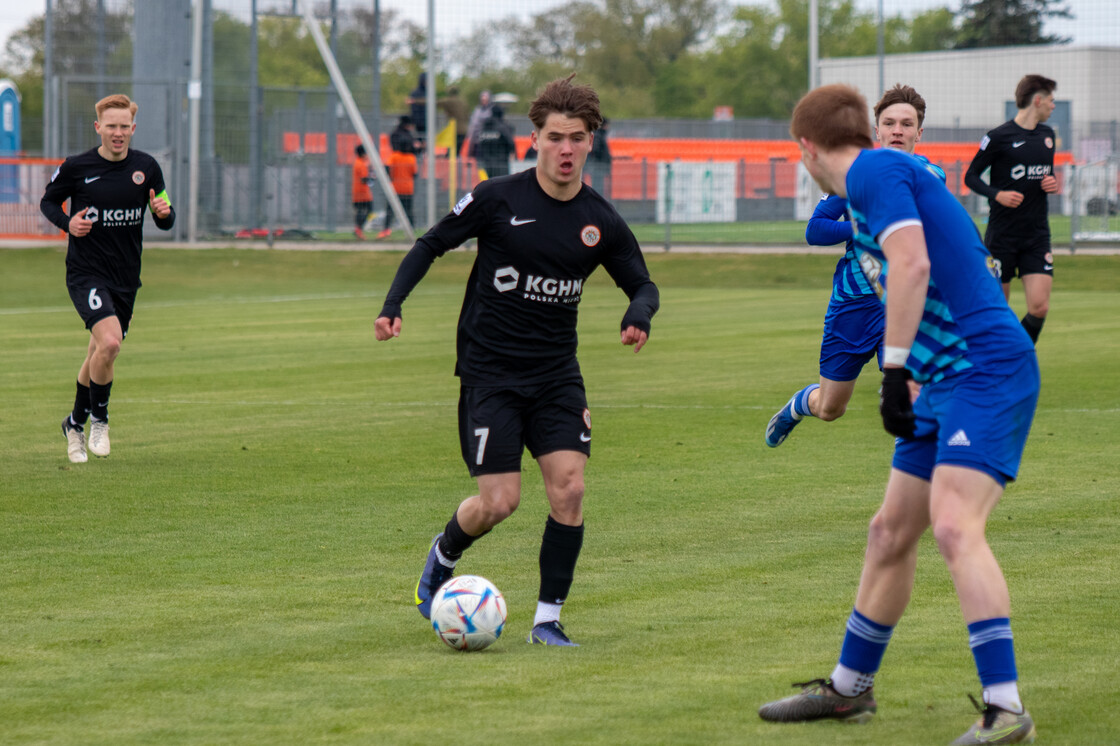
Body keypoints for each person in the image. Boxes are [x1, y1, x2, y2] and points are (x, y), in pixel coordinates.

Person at [758, 84, 1040, 746]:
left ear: (804, 148)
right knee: (889, 532)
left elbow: (911, 266)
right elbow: (931, 267)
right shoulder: (872, 186)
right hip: (942, 378)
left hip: (986, 367)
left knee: (952, 525)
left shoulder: (877, 169)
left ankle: (1006, 710)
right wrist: (912, 375)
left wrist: (890, 369)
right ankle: (849, 690)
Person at [375, 75, 659, 647]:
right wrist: (393, 303)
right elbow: (431, 242)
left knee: (570, 490)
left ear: (590, 143)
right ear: (535, 138)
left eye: (577, 138)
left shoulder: (599, 219)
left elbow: (643, 283)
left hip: (556, 377)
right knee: (500, 502)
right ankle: (443, 555)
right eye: (555, 137)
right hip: (491, 375)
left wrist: (639, 315)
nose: (566, 149)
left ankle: (547, 620)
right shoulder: (496, 197)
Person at [765, 84, 946, 448]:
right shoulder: (853, 175)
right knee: (831, 407)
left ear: (919, 133)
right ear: (876, 131)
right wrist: (862, 227)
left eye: (907, 124)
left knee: (913, 396)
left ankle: (910, 495)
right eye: (890, 123)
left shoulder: (932, 176)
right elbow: (815, 230)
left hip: (905, 299)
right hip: (854, 302)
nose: (898, 130)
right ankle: (800, 405)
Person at [40, 93, 175, 463]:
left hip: (126, 277)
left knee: (100, 353)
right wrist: (69, 223)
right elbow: (49, 202)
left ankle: (73, 424)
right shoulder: (76, 167)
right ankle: (100, 418)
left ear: (133, 128)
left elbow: (165, 212)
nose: (118, 133)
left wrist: (163, 212)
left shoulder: (146, 167)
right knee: (111, 344)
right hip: (87, 274)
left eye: (124, 126)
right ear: (99, 127)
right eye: (111, 126)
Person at [965, 75, 1059, 345]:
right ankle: (990, 364)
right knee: (997, 313)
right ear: (1037, 100)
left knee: (1039, 307)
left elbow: (1044, 176)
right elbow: (971, 176)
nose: (1053, 106)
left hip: (1036, 236)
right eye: (1051, 100)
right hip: (1002, 236)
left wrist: (1050, 183)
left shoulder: (1047, 136)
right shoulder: (998, 137)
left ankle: (1018, 357)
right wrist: (997, 195)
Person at [380, 121, 418, 240]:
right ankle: (411, 230)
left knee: (390, 211)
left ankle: (386, 230)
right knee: (408, 211)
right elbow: (415, 174)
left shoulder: (394, 156)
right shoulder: (411, 158)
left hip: (395, 188)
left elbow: (387, 168)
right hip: (407, 189)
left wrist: (391, 177)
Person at [474, 106, 516, 178]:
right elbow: (510, 143)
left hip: (486, 163)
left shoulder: (484, 127)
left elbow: (478, 143)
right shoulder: (503, 127)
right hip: (501, 163)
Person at [437, 85, 469, 155]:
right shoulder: (463, 102)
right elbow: (467, 116)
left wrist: (415, 101)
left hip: (454, 130)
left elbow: (434, 102)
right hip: (464, 130)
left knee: (451, 153)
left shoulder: (449, 101)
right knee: (457, 153)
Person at [351, 143, 374, 240]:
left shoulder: (357, 162)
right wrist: (372, 177)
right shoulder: (361, 164)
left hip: (357, 193)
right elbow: (364, 179)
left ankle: (358, 229)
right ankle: (358, 229)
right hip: (363, 193)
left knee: (360, 212)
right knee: (368, 210)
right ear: (363, 153)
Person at [586, 116, 613, 196]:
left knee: (599, 186)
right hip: (598, 166)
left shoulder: (600, 135)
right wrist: (600, 161)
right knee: (597, 186)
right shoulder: (598, 135)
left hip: (600, 166)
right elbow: (595, 150)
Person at [464, 89, 494, 155]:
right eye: (482, 99)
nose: (483, 101)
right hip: (474, 138)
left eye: (485, 99)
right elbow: (473, 123)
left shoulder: (491, 110)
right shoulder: (477, 110)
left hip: (484, 139)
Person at [407, 72, 427, 145]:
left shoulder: (428, 92)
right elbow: (413, 108)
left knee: (425, 139)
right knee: (419, 139)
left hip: (426, 120)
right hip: (418, 121)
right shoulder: (415, 93)